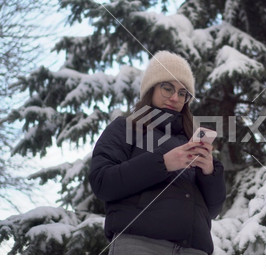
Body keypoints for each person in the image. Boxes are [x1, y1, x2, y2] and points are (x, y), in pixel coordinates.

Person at [89, 51, 226, 255]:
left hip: (194, 252)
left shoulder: (191, 141)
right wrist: (163, 164)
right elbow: (102, 182)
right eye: (167, 87)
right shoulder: (126, 127)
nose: (174, 97)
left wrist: (209, 172)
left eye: (182, 93)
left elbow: (212, 211)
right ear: (151, 88)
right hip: (140, 246)